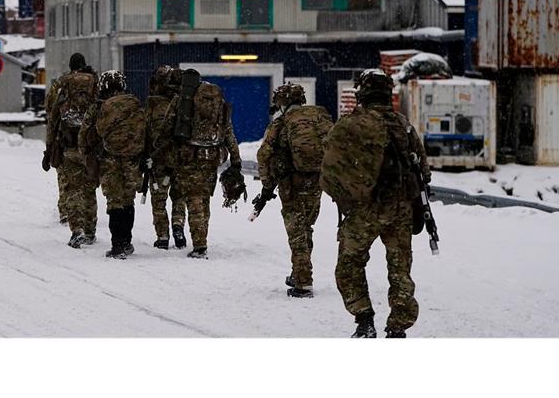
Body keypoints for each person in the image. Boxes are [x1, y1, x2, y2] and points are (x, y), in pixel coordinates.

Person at [321, 69, 432, 338]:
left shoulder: (351, 124)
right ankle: (398, 327)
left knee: (349, 264)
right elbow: (424, 170)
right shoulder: (403, 124)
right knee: (400, 269)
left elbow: (330, 166)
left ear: (362, 94)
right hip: (401, 208)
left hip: (365, 209)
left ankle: (364, 319)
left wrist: (347, 194)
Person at [253, 83, 332, 298]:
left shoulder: (282, 123)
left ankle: (303, 283)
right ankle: (299, 273)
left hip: (292, 184)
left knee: (296, 233)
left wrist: (267, 184)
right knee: (306, 227)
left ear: (282, 102)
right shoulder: (319, 117)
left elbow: (263, 154)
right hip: (317, 181)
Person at [161, 69, 244, 259]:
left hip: (189, 157)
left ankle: (199, 245)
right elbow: (228, 132)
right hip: (212, 156)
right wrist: (236, 159)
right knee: (204, 199)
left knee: (194, 199)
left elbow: (167, 127)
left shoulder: (183, 101)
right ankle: (202, 236)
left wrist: (162, 152)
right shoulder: (218, 102)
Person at [80, 70, 146, 259]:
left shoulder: (99, 107)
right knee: (128, 200)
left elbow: (87, 133)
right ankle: (126, 241)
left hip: (109, 159)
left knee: (114, 201)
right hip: (132, 159)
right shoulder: (134, 103)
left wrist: (87, 155)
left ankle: (117, 245)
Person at [42, 53, 99, 248]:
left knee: (73, 188)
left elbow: (51, 114)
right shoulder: (96, 82)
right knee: (89, 188)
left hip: (68, 143)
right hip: (90, 146)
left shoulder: (62, 83)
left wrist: (49, 148)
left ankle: (77, 230)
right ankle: (90, 231)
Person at [144, 66, 188, 249]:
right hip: (180, 160)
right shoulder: (184, 104)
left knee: (158, 199)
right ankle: (178, 225)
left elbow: (145, 132)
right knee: (179, 196)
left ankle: (162, 236)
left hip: (158, 160)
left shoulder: (153, 105)